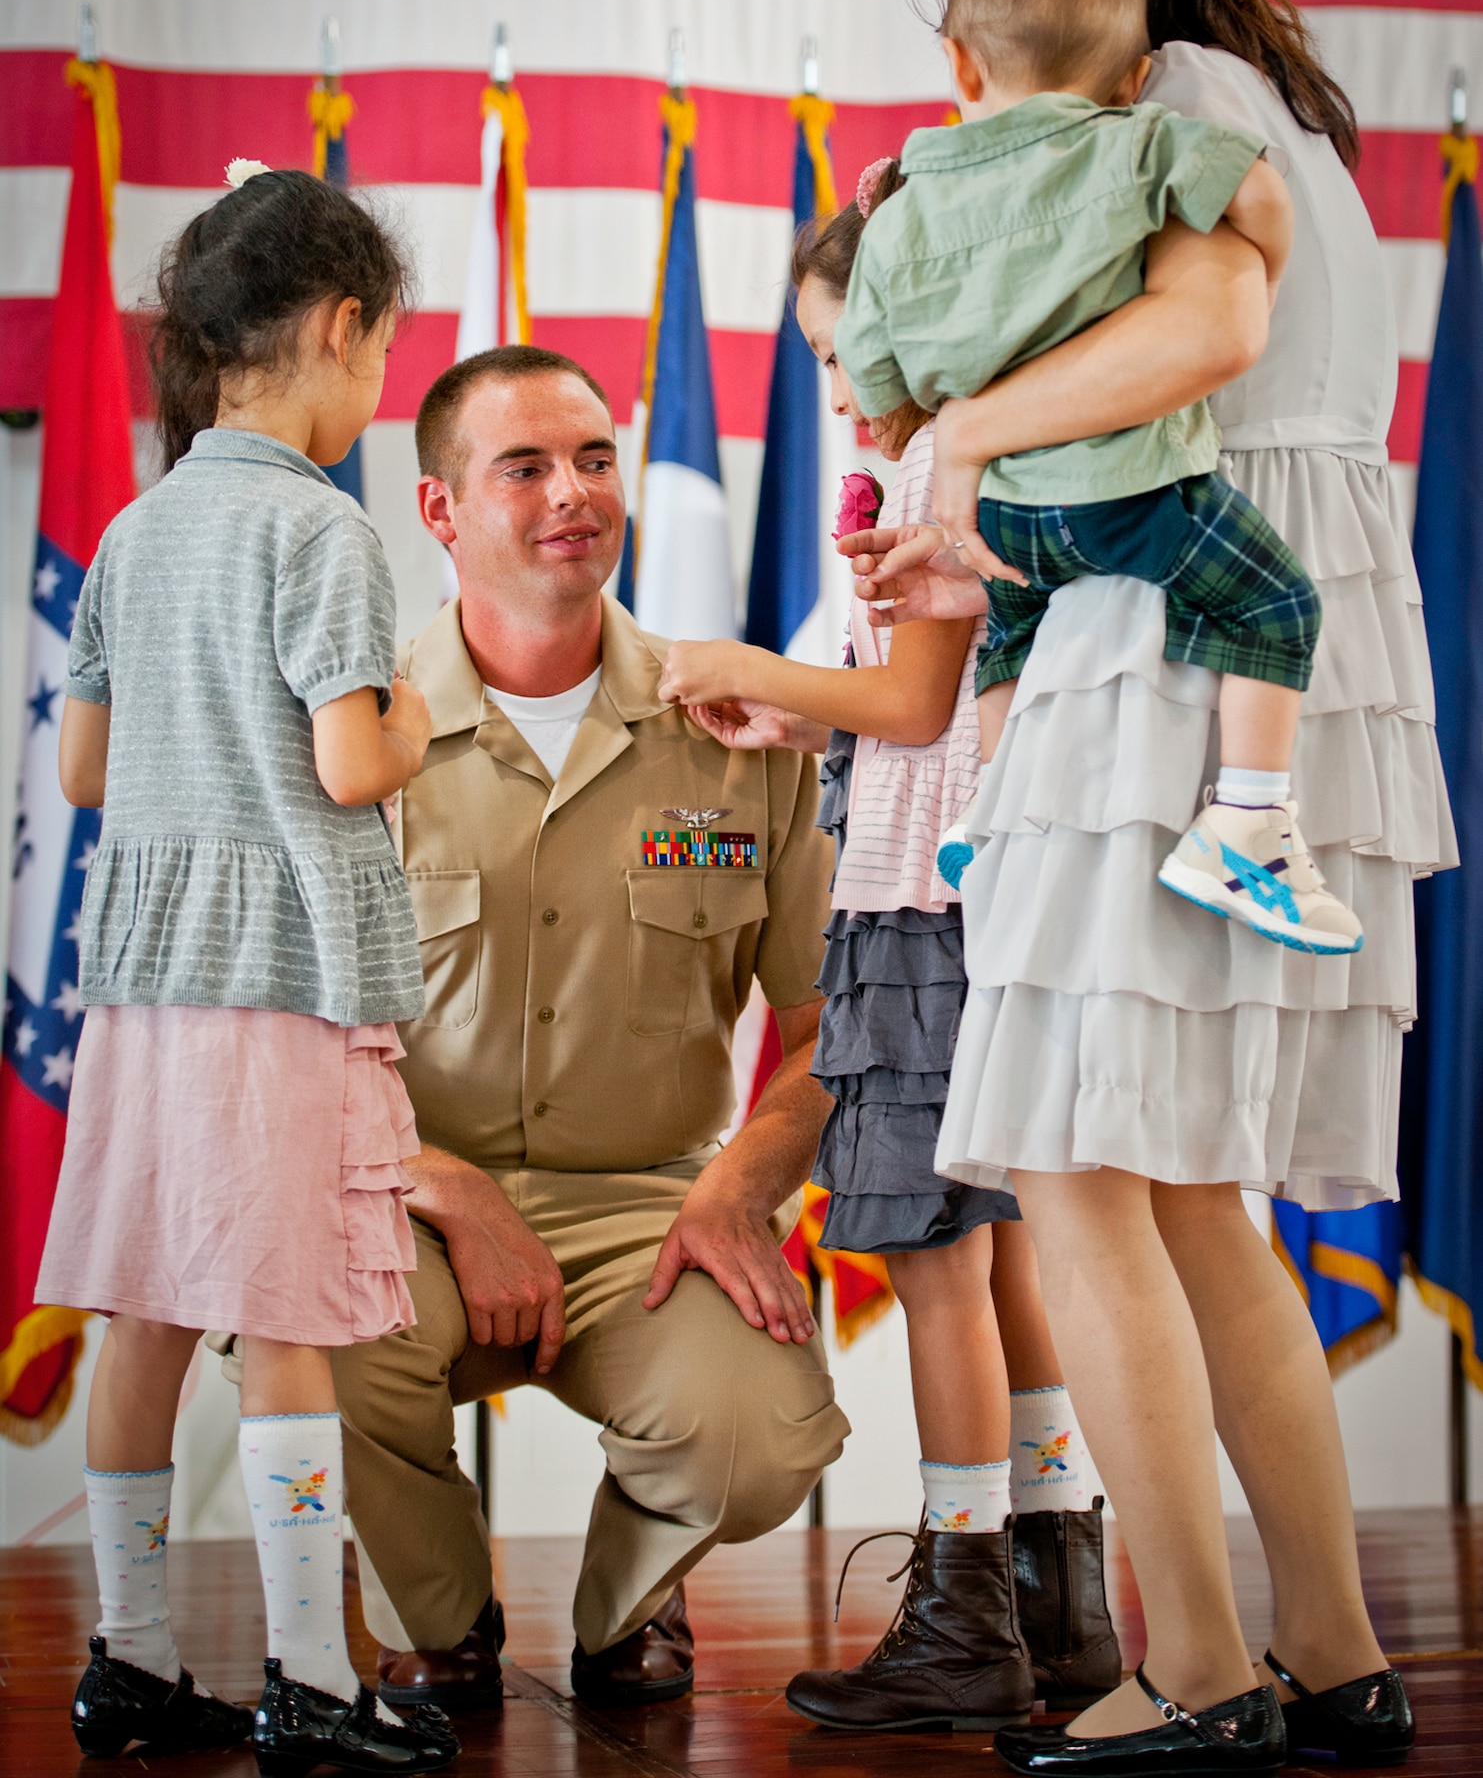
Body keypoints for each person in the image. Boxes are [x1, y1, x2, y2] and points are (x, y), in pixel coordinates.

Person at [845, 0, 1448, 1774]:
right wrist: (985, 534)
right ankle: (1334, 1651)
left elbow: (1209, 335)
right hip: (1268, 628)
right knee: (1196, 1194)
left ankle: (1190, 1664)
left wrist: (950, 443)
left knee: (1085, 1176)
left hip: (1183, 669)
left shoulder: (1159, 104)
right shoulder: (1254, 94)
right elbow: (1201, 443)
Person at [658, 162, 1118, 1730]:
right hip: (970, 899)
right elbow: (884, 692)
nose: (831, 385)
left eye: (841, 350)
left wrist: (732, 664)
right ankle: (1062, 1594)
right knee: (1002, 1262)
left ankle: (963, 1608)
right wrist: (781, 703)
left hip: (927, 914)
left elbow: (913, 711)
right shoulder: (964, 462)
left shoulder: (942, 469)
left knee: (935, 1269)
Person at [328, 344, 850, 1716]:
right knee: (311, 1331)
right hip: (402, 1199)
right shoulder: (354, 735)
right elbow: (282, 1051)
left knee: (763, 1438)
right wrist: (444, 1189)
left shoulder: (739, 727)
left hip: (646, 1207)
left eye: (594, 458)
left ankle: (626, 1613)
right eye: (524, 467)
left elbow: (819, 1031)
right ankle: (434, 1624)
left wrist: (740, 1192)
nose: (573, 493)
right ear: (439, 511)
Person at [37, 164, 456, 1774]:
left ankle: (130, 1660)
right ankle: (310, 1684)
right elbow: (353, 765)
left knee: (144, 1316)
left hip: (143, 988)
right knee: (284, 1321)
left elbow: (84, 774)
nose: (377, 390)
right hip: (277, 969)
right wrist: (414, 711)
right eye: (382, 356)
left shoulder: (136, 533)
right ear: (340, 332)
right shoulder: (319, 528)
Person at [836, 0, 1357, 961]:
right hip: (1127, 490)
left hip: (1000, 519)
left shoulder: (897, 208)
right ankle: (1247, 824)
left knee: (1014, 636)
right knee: (1272, 601)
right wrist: (1267, 252)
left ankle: (984, 818)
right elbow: (1259, 196)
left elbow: (871, 380)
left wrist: (915, 417)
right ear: (1136, 73)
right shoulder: (1144, 141)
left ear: (958, 60)